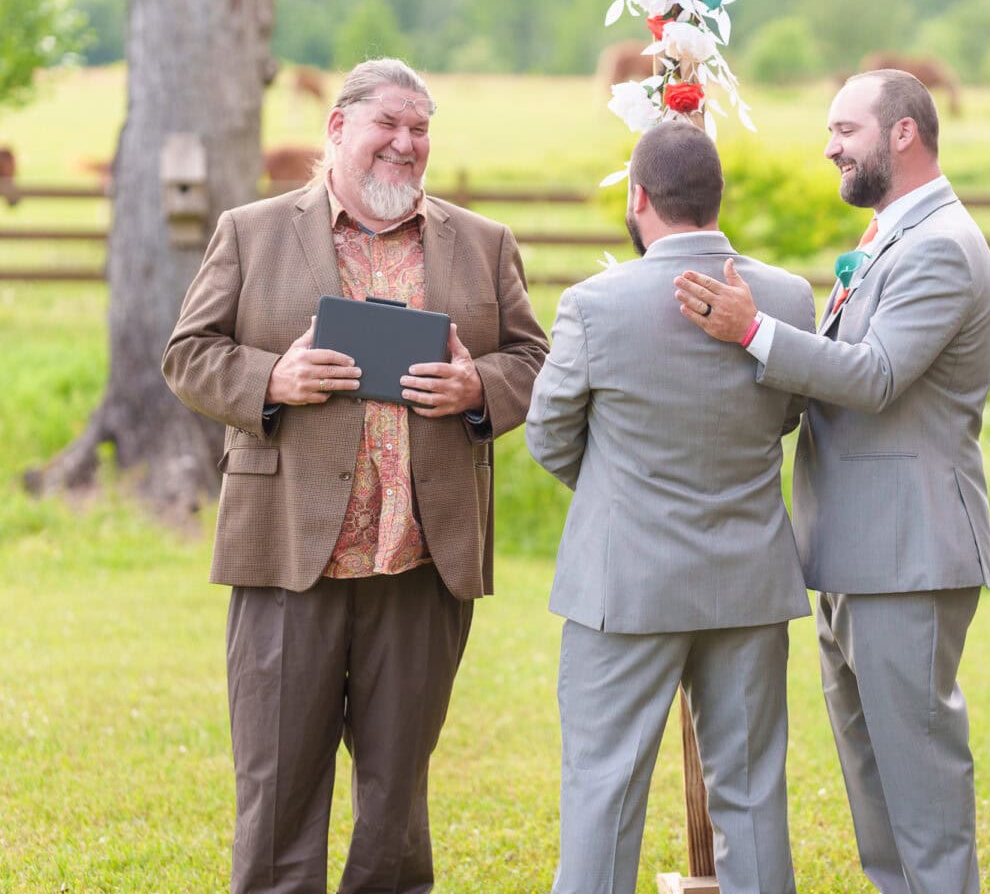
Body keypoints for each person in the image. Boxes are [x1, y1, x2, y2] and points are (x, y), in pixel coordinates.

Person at [161, 57, 548, 894]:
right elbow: (187, 356)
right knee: (276, 792)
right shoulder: (250, 230)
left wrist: (479, 385)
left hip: (420, 559)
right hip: (287, 555)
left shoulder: (483, 244)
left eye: (420, 129)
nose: (406, 144)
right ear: (338, 128)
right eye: (390, 125)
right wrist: (272, 379)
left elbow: (534, 360)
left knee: (396, 797)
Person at [673, 69, 990, 894]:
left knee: (920, 788)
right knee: (874, 789)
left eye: (844, 130)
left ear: (902, 134)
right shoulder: (893, 234)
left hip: (909, 549)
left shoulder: (939, 247)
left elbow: (878, 375)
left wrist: (753, 329)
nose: (829, 147)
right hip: (852, 548)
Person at [525, 121, 814, 894]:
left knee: (605, 792)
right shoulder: (787, 296)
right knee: (752, 794)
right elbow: (788, 417)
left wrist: (620, 488)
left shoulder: (595, 304)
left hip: (626, 586)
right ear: (718, 197)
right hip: (749, 580)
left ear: (639, 196)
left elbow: (549, 435)